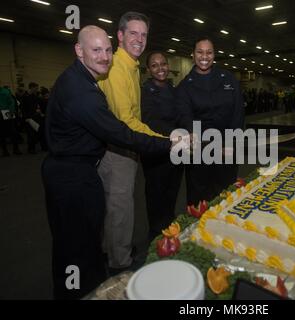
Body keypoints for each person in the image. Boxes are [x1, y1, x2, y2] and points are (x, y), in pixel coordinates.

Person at [41, 25, 174, 299]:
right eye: (96, 50)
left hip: (73, 170)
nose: (104, 57)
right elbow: (120, 132)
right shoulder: (82, 92)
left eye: (107, 50)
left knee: (84, 242)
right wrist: (168, 144)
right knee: (76, 248)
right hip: (72, 178)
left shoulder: (82, 78)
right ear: (79, 51)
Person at [97, 12, 165, 273]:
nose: (140, 39)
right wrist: (166, 140)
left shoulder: (131, 66)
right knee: (120, 207)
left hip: (127, 145)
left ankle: (112, 251)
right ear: (121, 36)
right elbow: (126, 121)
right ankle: (120, 264)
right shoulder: (116, 69)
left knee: (116, 205)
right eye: (133, 33)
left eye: (144, 34)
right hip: (118, 150)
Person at [177, 36, 245, 206]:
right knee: (199, 197)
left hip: (227, 149)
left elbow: (238, 113)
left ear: (214, 54)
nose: (204, 56)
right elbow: (185, 116)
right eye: (200, 52)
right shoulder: (185, 85)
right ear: (193, 54)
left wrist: (230, 143)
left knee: (226, 195)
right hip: (200, 151)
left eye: (209, 52)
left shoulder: (228, 78)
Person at [140, 52, 183, 241]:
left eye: (163, 64)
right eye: (155, 65)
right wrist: (176, 134)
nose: (160, 69)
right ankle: (156, 234)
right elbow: (151, 121)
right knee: (157, 193)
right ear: (149, 69)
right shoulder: (145, 91)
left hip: (177, 150)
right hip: (156, 151)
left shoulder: (174, 90)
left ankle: (169, 226)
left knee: (172, 190)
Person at [0, 82, 22, 156]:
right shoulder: (5, 91)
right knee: (1, 134)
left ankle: (16, 149)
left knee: (13, 131)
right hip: (1, 114)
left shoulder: (6, 91)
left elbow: (11, 102)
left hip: (7, 112)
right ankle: (5, 151)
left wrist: (11, 111)